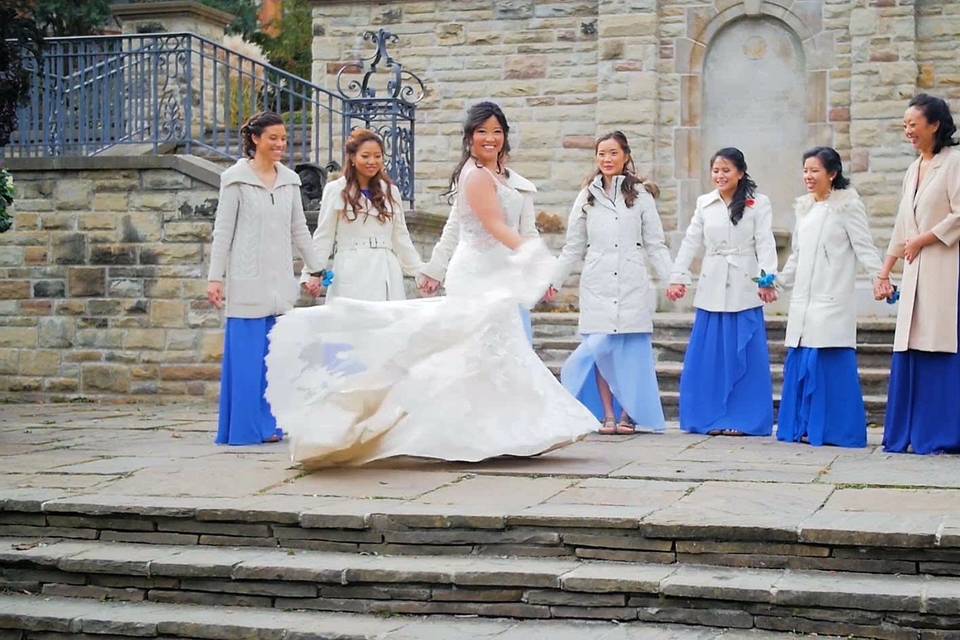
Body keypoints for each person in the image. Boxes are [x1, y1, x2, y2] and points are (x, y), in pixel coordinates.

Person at [264, 102, 596, 466]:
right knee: (456, 352)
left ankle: (502, 432)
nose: (490, 138)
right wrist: (313, 272)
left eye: (497, 131)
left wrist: (424, 269)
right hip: (443, 272)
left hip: (488, 273)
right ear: (469, 138)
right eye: (482, 131)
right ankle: (377, 424)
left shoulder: (497, 179)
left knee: (494, 355)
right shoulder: (473, 177)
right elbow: (486, 226)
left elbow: (405, 237)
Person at [207, 111, 326, 446]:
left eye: (284, 138)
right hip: (247, 281)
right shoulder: (235, 179)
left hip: (279, 282)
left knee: (274, 362)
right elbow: (223, 231)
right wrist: (216, 278)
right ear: (255, 139)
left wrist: (317, 267)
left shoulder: (290, 180)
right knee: (247, 362)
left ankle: (271, 426)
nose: (280, 144)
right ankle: (244, 429)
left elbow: (299, 229)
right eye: (273, 138)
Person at [550, 131, 672, 435]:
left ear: (626, 156)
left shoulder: (641, 196)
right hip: (597, 281)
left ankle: (628, 415)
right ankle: (607, 414)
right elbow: (572, 247)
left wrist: (673, 279)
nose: (607, 159)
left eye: (613, 153)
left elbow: (656, 244)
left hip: (631, 280)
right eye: (601, 153)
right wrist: (553, 281)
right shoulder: (586, 197)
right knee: (600, 349)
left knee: (630, 351)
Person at [667, 147, 778, 437]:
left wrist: (767, 280)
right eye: (716, 170)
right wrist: (678, 277)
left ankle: (745, 418)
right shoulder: (705, 203)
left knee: (746, 354)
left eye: (726, 170)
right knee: (709, 357)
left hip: (744, 284)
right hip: (712, 285)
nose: (720, 175)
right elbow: (691, 242)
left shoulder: (758, 203)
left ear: (740, 173)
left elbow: (765, 243)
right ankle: (708, 416)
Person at [777, 147, 884, 447]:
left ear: (832, 173)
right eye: (805, 171)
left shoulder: (848, 206)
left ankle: (836, 430)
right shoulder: (805, 208)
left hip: (832, 297)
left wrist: (881, 278)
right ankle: (804, 426)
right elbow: (797, 255)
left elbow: (864, 246)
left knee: (826, 362)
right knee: (802, 360)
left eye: (815, 171)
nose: (808, 177)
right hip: (804, 301)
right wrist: (779, 280)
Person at [877, 94, 960, 454]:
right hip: (914, 271)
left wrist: (925, 239)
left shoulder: (954, 162)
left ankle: (940, 434)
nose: (907, 130)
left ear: (935, 124)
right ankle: (907, 432)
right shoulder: (914, 169)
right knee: (910, 343)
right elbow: (901, 225)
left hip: (944, 267)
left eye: (913, 123)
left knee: (939, 342)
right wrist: (885, 271)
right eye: (905, 124)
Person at [302, 128, 423, 301]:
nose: (372, 161)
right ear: (352, 157)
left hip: (385, 269)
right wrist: (312, 273)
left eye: (377, 156)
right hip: (351, 269)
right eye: (365, 156)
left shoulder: (390, 191)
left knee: (388, 325)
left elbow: (401, 237)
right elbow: (324, 237)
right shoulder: (336, 189)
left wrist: (420, 272)